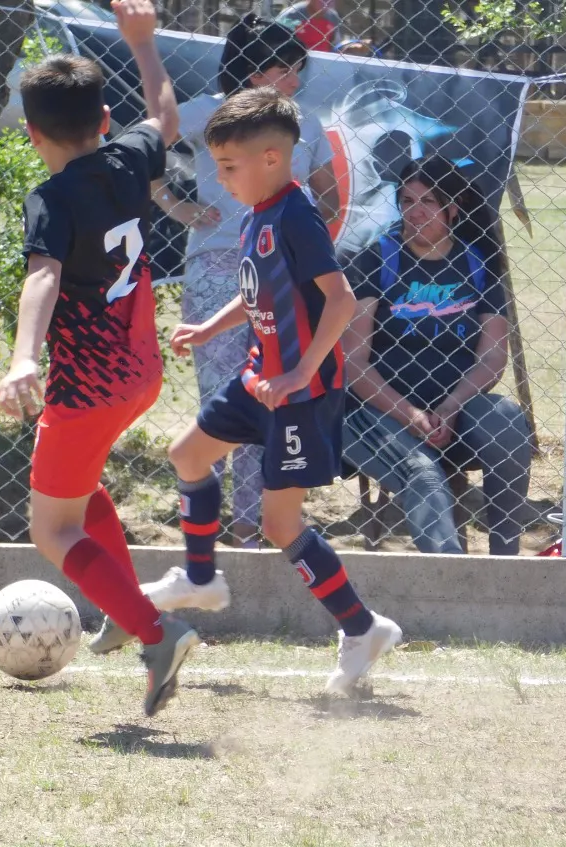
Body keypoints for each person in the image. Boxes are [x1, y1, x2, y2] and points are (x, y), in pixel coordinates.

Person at [141, 88, 402, 693]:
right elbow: (261, 291)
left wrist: (303, 372)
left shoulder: (295, 213)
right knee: (189, 455)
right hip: (260, 379)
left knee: (281, 524)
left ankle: (362, 629)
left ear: (270, 159)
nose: (220, 179)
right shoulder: (257, 210)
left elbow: (338, 300)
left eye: (228, 167)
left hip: (299, 395)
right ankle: (202, 578)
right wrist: (211, 325)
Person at [0, 0, 199, 718]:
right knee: (79, 492)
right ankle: (123, 609)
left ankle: (155, 631)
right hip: (140, 375)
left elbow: (42, 276)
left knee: (51, 529)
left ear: (32, 130)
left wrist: (22, 359)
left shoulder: (49, 196)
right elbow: (165, 116)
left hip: (88, 385)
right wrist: (144, 44)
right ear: (104, 121)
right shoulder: (130, 156)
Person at [156, 13, 340, 547]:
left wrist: (304, 217)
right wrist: (174, 203)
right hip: (216, 269)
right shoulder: (207, 115)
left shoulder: (303, 123)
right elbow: (144, 144)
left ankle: (250, 523)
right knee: (220, 402)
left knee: (271, 396)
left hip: (282, 278)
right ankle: (206, 523)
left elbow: (328, 195)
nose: (296, 82)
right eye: (287, 70)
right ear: (255, 71)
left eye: (298, 71)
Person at [341, 156, 531, 554]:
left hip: (454, 411)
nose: (416, 212)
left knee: (509, 425)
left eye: (427, 201)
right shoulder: (376, 260)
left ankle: (507, 565)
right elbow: (353, 362)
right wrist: (409, 414)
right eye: (407, 201)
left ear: (452, 208)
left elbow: (492, 357)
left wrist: (451, 407)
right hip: (379, 414)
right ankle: (454, 584)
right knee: (424, 476)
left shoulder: (477, 265)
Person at [275, 0, 340, 53]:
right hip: (295, 61)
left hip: (323, 62)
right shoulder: (292, 15)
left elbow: (334, 44)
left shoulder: (333, 17)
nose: (327, 2)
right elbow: (275, 40)